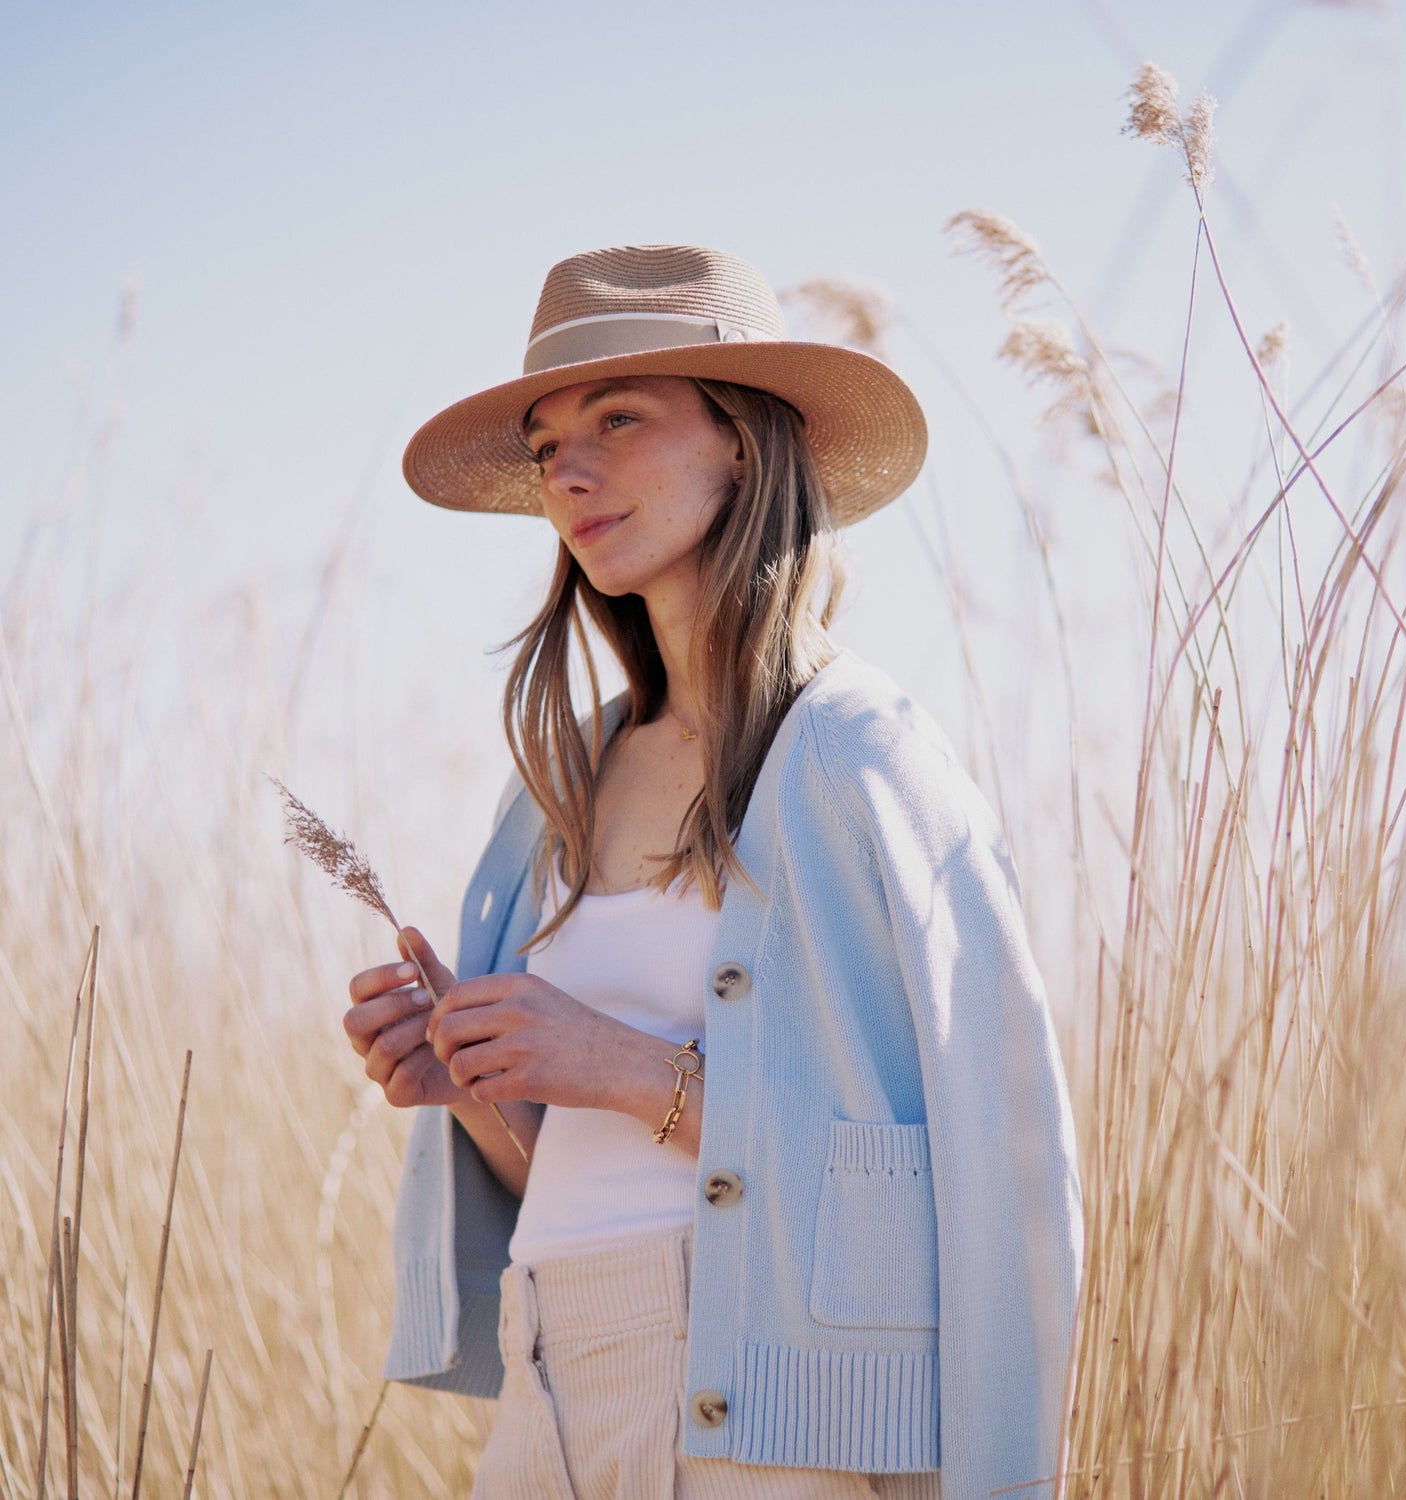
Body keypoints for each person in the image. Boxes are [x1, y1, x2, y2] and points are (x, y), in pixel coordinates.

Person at [343, 244, 1083, 1500]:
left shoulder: (859, 757)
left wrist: (619, 1066)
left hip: (755, 1404)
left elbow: (997, 1168)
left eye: (618, 419)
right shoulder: (560, 780)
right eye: (546, 443)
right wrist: (476, 1078)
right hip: (551, 1382)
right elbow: (576, 1164)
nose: (568, 472)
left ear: (742, 440)